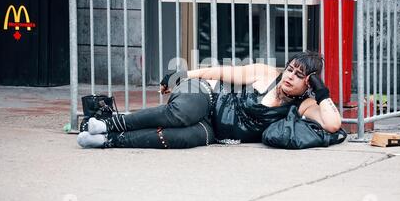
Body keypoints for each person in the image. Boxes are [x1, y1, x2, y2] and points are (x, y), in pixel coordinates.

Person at [77, 51, 342, 149]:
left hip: (214, 130)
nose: (290, 77)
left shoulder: (305, 104)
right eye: (290, 70)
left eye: (299, 76)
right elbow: (220, 71)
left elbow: (332, 125)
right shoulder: (266, 73)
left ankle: (107, 140)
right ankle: (110, 123)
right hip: (209, 96)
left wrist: (321, 90)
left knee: (176, 138)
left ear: (308, 83)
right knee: (181, 114)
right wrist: (182, 74)